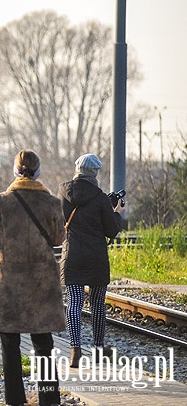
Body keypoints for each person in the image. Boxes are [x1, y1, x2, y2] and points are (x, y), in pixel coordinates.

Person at [0, 149, 65, 406]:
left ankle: (14, 400)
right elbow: (59, 239)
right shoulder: (52, 203)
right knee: (43, 345)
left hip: (8, 286)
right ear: (38, 173)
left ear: (15, 172)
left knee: (9, 345)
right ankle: (49, 400)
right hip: (41, 284)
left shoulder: (0, 201)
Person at [59, 153, 125, 366]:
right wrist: (116, 212)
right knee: (97, 305)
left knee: (74, 304)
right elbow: (112, 231)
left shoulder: (63, 192)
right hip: (96, 257)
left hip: (73, 257)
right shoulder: (99, 197)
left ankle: (75, 349)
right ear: (95, 173)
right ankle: (97, 348)